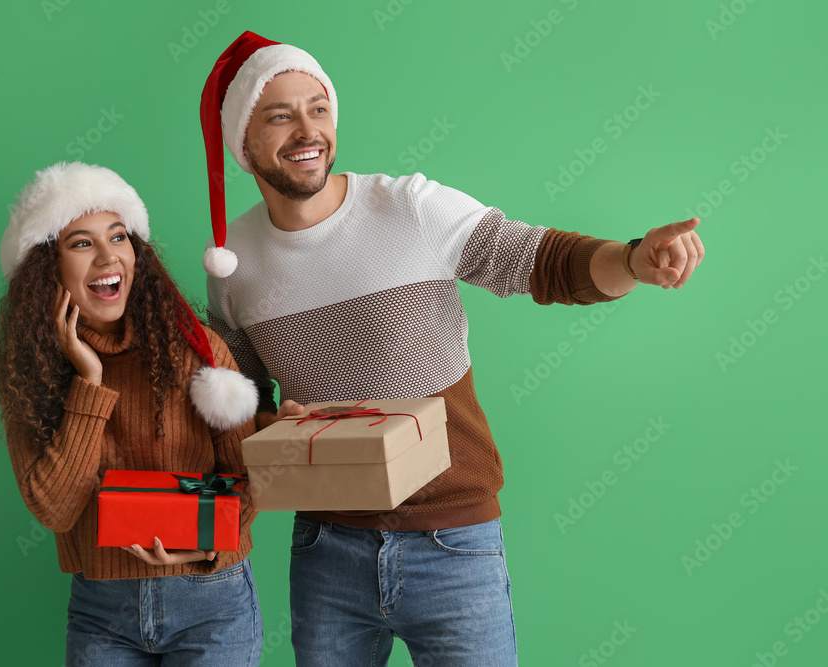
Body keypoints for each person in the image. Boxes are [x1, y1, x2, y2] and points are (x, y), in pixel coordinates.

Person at [197, 32, 705, 666]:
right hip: (326, 547)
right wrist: (280, 430)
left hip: (455, 543)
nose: (308, 130)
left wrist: (634, 259)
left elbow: (542, 262)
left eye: (318, 108)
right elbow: (239, 410)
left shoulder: (408, 207)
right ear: (243, 142)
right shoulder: (232, 266)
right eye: (280, 115)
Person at [0, 161, 263, 666]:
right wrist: (89, 383)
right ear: (46, 267)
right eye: (80, 243)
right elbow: (55, 509)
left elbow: (246, 474)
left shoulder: (196, 353)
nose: (107, 256)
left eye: (118, 236)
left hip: (211, 601)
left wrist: (203, 548)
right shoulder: (32, 376)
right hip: (102, 612)